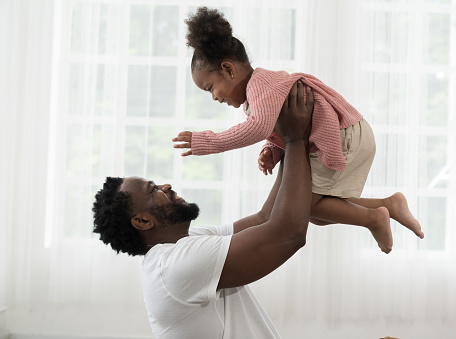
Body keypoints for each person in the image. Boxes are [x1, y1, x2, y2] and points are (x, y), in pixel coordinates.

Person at [172, 7, 424, 254]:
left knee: (304, 206)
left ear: (228, 69)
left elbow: (258, 127)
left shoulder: (259, 86)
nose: (214, 97)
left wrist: (208, 141)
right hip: (350, 131)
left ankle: (374, 219)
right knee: (318, 214)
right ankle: (388, 205)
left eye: (210, 88)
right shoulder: (260, 90)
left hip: (344, 134)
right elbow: (279, 124)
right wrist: (272, 149)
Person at [93, 82, 313, 339]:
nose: (166, 185)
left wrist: (282, 143)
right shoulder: (174, 265)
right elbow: (288, 235)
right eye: (153, 190)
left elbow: (266, 218)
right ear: (142, 221)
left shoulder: (189, 242)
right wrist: (295, 138)